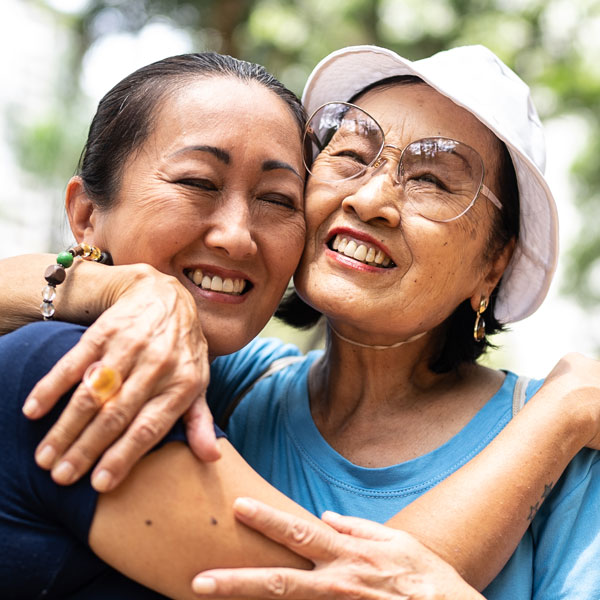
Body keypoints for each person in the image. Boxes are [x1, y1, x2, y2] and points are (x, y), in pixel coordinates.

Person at [0, 46, 599, 600]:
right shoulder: (221, 382)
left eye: (432, 181)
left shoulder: (572, 457)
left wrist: (562, 419)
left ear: (494, 264)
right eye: (350, 157)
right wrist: (128, 286)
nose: (370, 200)